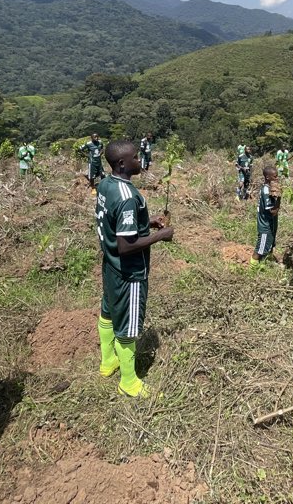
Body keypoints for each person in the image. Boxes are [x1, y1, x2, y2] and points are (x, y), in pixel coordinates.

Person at [95, 140, 174, 398]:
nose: (140, 161)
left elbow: (115, 220)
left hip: (110, 266)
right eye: (136, 158)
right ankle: (129, 382)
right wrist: (161, 237)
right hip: (129, 271)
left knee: (108, 312)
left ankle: (108, 362)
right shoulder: (129, 196)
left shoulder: (107, 185)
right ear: (122, 163)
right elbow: (126, 246)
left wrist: (146, 221)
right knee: (128, 326)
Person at [251, 165, 281, 264]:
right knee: (260, 248)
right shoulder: (266, 191)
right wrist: (279, 198)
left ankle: (269, 261)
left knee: (271, 243)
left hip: (271, 224)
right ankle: (253, 267)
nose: (277, 178)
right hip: (265, 225)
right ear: (268, 177)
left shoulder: (270, 188)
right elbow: (273, 212)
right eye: (275, 176)